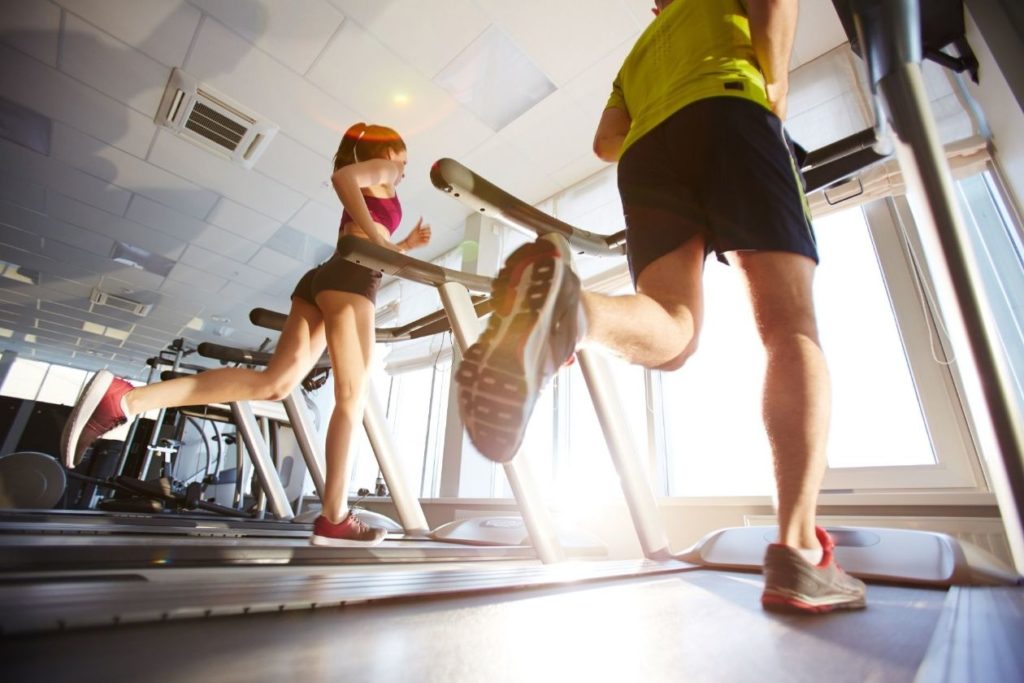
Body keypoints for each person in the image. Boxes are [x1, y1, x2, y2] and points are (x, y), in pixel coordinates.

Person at [455, 0, 866, 614]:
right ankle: (801, 553)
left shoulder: (636, 56)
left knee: (674, 325)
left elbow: (604, 143)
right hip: (733, 109)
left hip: (646, 152)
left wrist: (665, 126)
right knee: (789, 327)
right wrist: (772, 92)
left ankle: (578, 312)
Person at [62, 122, 431, 547]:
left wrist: (403, 246)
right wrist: (373, 234)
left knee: (275, 384)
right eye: (401, 158)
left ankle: (126, 399)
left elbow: (371, 238)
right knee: (352, 398)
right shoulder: (379, 172)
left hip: (329, 277)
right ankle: (335, 517)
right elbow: (343, 180)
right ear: (386, 153)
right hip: (351, 279)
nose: (403, 168)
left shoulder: (381, 184)